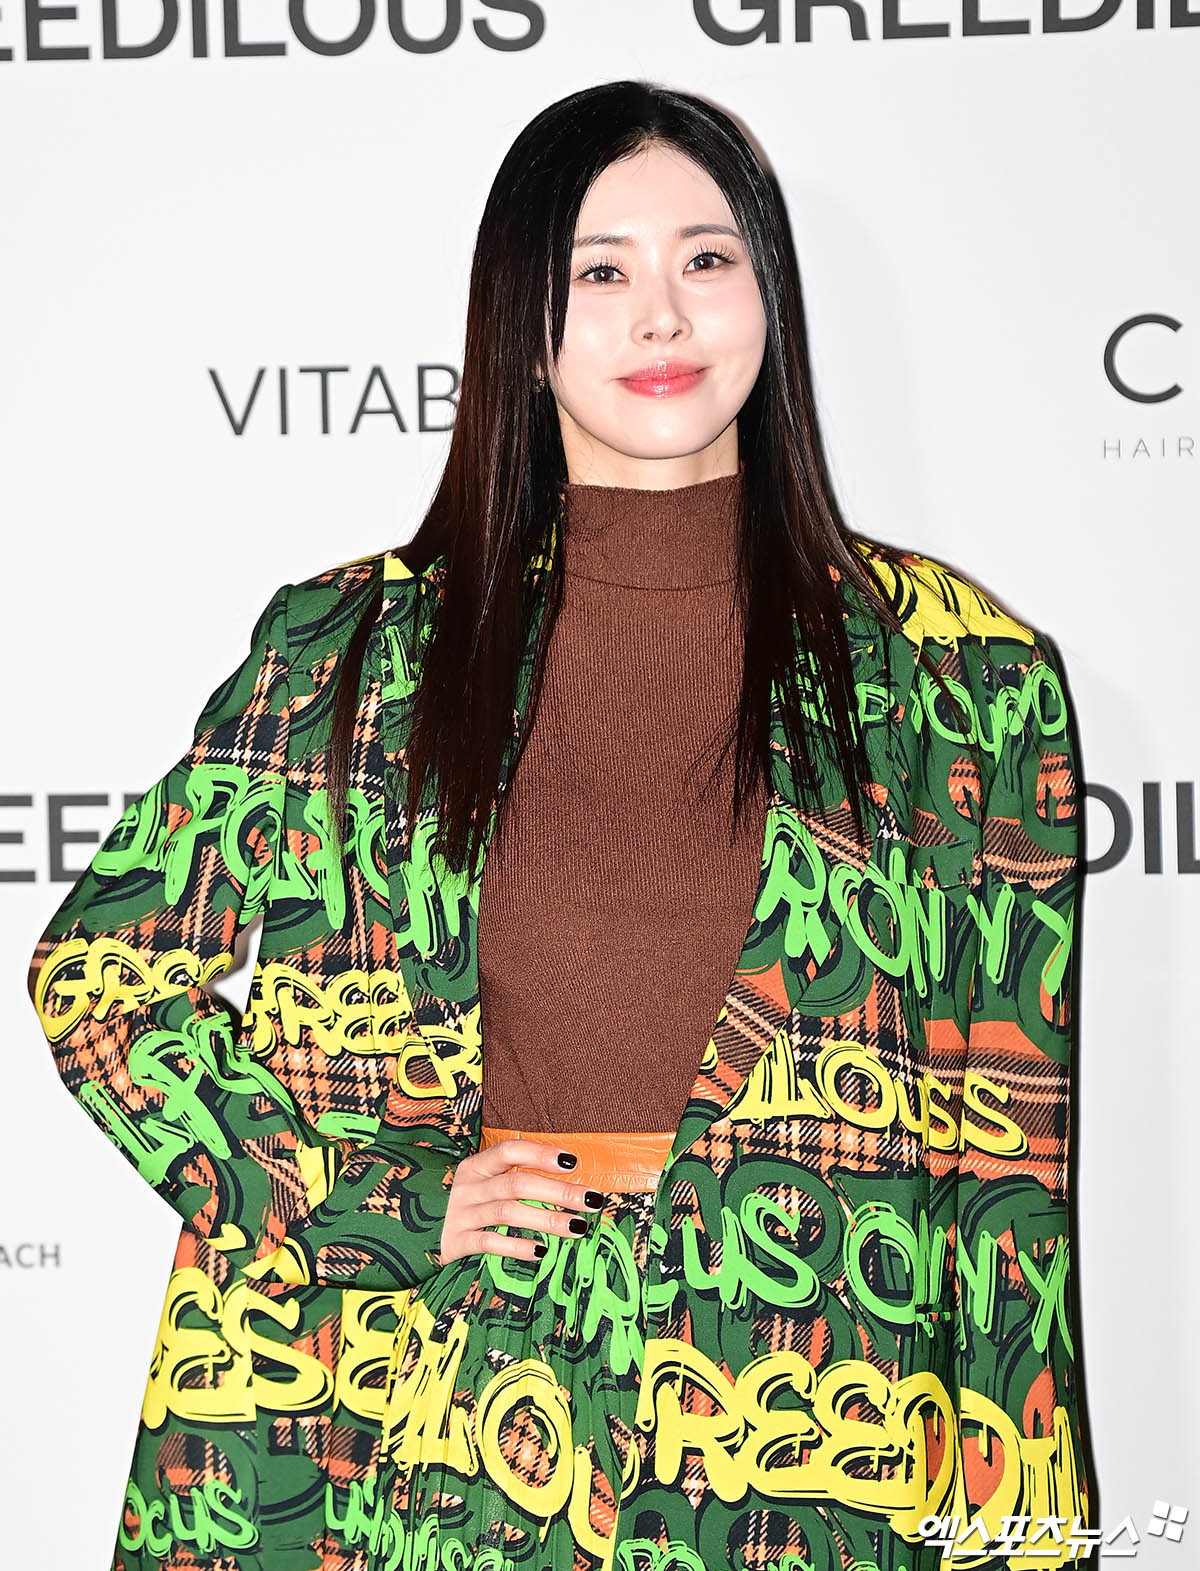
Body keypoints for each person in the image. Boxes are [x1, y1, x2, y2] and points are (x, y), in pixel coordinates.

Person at [26, 79, 1092, 1571]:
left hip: (813, 1414)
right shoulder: (355, 655)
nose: (662, 315)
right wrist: (359, 1201)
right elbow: (105, 977)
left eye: (707, 260)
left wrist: (1027, 1536)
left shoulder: (963, 679)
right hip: (438, 1407)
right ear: (524, 326)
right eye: (601, 272)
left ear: (770, 301)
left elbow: (1011, 1172)